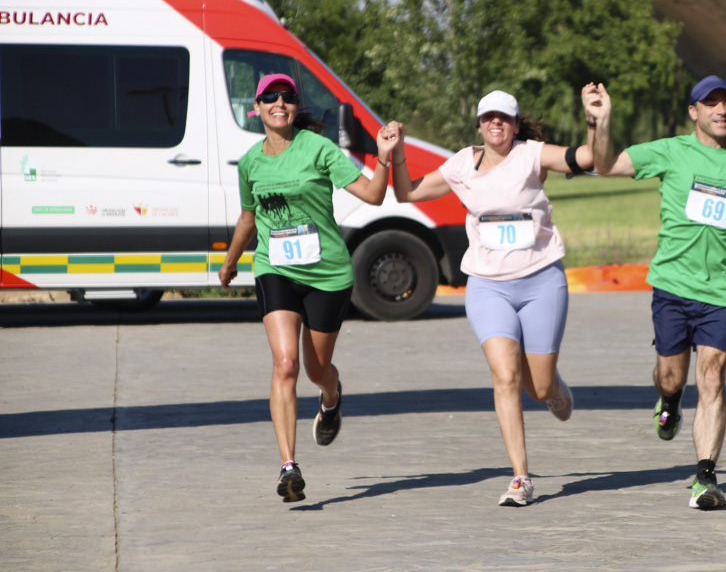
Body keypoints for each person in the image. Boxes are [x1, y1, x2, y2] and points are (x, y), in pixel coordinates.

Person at [586, 76, 726, 509]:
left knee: (713, 376)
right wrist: (599, 123)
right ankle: (669, 400)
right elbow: (604, 165)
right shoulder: (670, 151)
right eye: (711, 103)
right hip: (673, 286)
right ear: (693, 112)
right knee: (672, 376)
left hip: (723, 289)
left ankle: (706, 477)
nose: (722, 110)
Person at [391, 87, 597, 506]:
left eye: (504, 117)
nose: (496, 123)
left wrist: (595, 120)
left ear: (516, 124)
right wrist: (394, 155)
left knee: (537, 388)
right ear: (480, 124)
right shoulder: (463, 164)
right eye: (488, 118)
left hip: (541, 281)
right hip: (488, 285)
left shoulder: (533, 155)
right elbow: (407, 192)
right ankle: (520, 477)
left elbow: (588, 159)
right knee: (505, 377)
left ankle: (554, 387)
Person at [218, 73, 398, 503]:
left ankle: (331, 397)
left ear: (295, 107)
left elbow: (373, 196)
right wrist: (230, 262)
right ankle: (288, 466)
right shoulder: (250, 162)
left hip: (328, 274)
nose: (280, 103)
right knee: (285, 364)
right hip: (274, 268)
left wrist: (385, 158)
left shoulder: (319, 149)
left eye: (288, 97)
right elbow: (248, 218)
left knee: (316, 371)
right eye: (270, 98)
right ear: (256, 108)